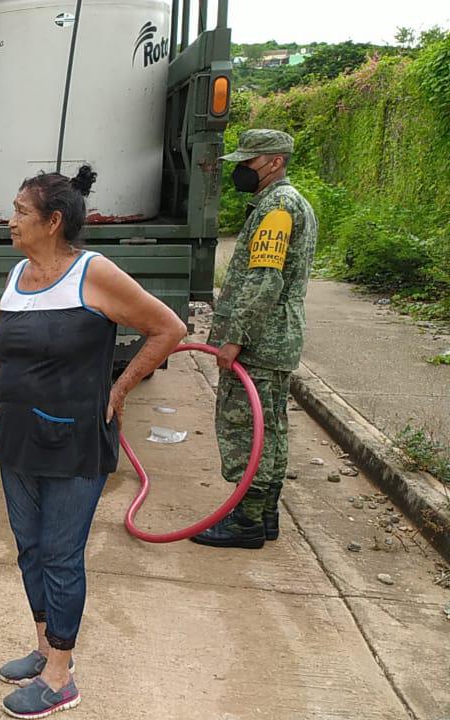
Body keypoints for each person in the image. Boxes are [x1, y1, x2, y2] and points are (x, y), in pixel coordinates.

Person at [0, 166, 186, 719]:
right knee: (29, 548)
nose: (10, 220)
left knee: (61, 555)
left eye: (20, 211)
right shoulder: (18, 275)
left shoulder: (94, 273)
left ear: (53, 221)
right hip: (17, 439)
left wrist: (120, 388)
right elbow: (1, 355)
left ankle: (61, 677)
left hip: (73, 441)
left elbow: (169, 329)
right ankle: (44, 649)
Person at [192, 129, 318, 550]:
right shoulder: (288, 203)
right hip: (278, 339)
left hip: (261, 342)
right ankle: (264, 515)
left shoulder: (277, 209)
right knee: (272, 428)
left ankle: (246, 521)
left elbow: (265, 280)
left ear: (275, 162)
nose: (242, 169)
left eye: (249, 162)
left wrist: (235, 338)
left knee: (248, 429)